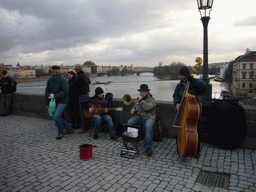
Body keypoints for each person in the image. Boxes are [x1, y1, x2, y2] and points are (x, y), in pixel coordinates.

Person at [173, 66, 207, 158]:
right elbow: (176, 95)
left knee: (196, 131)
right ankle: (181, 145)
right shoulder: (179, 85)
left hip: (194, 110)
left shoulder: (194, 83)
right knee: (182, 129)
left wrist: (193, 80)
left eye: (181, 75)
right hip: (184, 110)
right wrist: (176, 103)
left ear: (185, 75)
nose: (179, 77)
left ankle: (196, 149)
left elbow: (204, 87)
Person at [127, 84, 157, 156]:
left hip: (148, 118)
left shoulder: (152, 100)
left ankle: (148, 147)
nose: (140, 94)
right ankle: (132, 142)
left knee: (148, 127)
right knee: (130, 123)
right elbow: (134, 107)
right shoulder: (139, 100)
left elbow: (147, 107)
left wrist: (140, 101)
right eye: (140, 92)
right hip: (139, 117)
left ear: (147, 92)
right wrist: (132, 110)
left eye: (142, 92)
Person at [44, 65, 73, 140]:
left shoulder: (62, 80)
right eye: (53, 69)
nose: (54, 71)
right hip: (54, 101)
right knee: (56, 116)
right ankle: (69, 128)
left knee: (56, 116)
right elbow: (46, 91)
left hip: (63, 101)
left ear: (59, 71)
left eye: (56, 69)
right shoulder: (50, 80)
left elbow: (65, 92)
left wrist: (54, 95)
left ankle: (60, 132)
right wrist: (46, 103)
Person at [72, 64, 91, 134]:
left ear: (79, 69)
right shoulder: (85, 75)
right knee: (86, 111)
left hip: (82, 95)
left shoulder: (79, 76)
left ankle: (83, 128)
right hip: (86, 94)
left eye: (76, 69)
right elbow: (89, 82)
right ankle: (87, 126)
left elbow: (73, 86)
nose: (75, 71)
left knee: (82, 112)